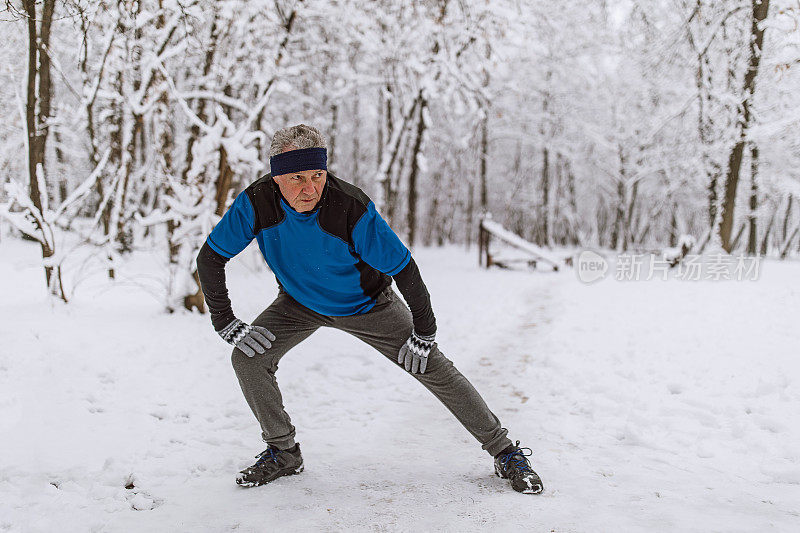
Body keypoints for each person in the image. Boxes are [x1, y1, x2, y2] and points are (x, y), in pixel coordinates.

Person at [195, 124, 543, 494]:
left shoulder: (350, 206)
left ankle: (505, 451)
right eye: (297, 177)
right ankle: (283, 452)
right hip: (298, 303)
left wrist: (424, 332)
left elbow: (404, 268)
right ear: (277, 175)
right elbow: (210, 259)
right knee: (248, 358)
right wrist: (224, 320)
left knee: (430, 365)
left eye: (317, 175)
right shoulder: (256, 202)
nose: (310, 188)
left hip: (368, 305)